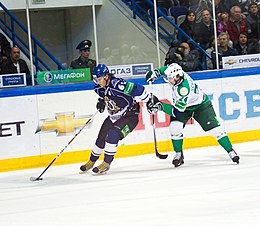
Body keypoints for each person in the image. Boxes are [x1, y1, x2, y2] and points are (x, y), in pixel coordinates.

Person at [145, 63, 240, 167]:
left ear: (177, 77)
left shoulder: (183, 90)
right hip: (185, 107)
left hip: (201, 106)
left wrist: (160, 106)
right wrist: (156, 73)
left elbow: (177, 111)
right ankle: (178, 154)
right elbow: (167, 69)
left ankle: (230, 151)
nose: (169, 80)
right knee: (174, 128)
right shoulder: (177, 73)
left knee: (216, 130)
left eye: (171, 78)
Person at [80, 64, 150, 174]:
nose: (98, 82)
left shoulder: (118, 85)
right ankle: (91, 161)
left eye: (99, 79)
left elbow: (139, 89)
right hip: (114, 116)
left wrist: (149, 100)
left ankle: (106, 163)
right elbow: (105, 95)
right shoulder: (98, 87)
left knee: (112, 135)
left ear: (106, 76)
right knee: (101, 137)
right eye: (96, 79)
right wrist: (102, 102)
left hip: (130, 116)